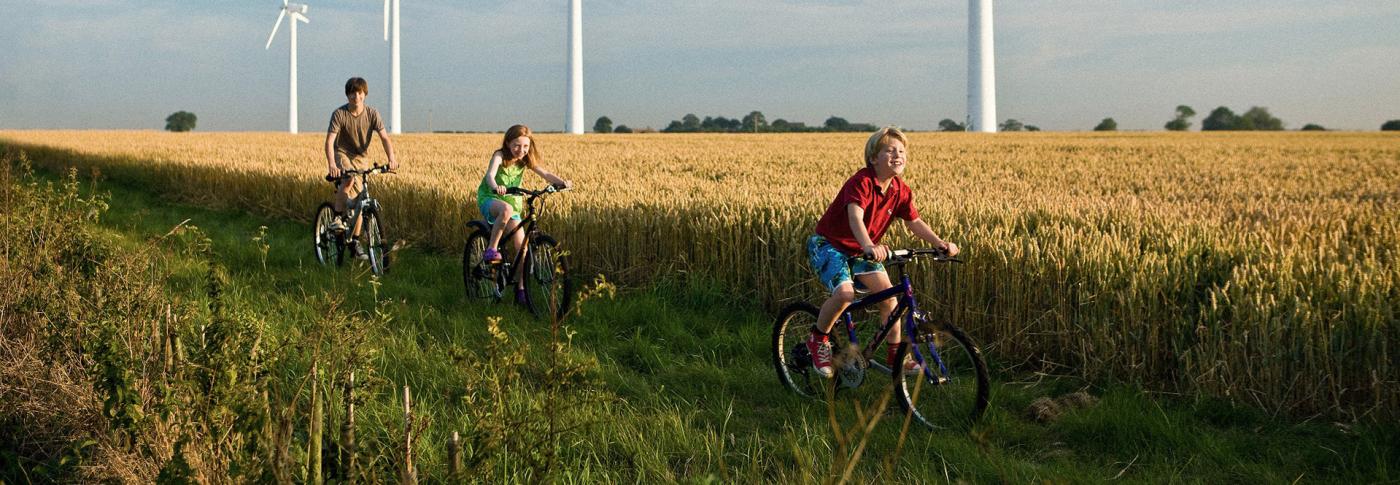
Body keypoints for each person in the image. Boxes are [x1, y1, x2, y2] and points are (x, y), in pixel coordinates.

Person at [804, 126, 960, 378]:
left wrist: (940, 243)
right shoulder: (862, 182)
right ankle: (818, 339)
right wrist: (868, 245)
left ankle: (895, 356)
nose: (897, 155)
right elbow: (856, 215)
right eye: (889, 150)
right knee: (845, 294)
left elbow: (914, 222)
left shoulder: (901, 190)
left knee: (889, 298)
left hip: (862, 251)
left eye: (901, 150)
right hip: (830, 245)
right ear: (873, 158)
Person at [476, 124, 572, 303]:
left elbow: (545, 173)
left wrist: (562, 183)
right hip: (491, 197)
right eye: (517, 146)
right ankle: (491, 249)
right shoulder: (499, 156)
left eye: (526, 146)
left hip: (513, 202)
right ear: (508, 143)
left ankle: (521, 289)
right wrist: (496, 187)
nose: (521, 150)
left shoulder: (525, 160)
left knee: (523, 249)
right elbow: (490, 175)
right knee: (506, 210)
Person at [325, 77, 398, 257]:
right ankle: (337, 218)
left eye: (359, 93)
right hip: (342, 153)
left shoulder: (372, 114)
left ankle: (354, 241)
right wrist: (332, 165)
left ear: (365, 95)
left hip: (361, 157)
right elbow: (329, 142)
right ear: (347, 95)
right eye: (352, 93)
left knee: (360, 200)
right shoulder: (339, 114)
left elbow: (385, 138)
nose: (355, 96)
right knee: (348, 179)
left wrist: (392, 159)